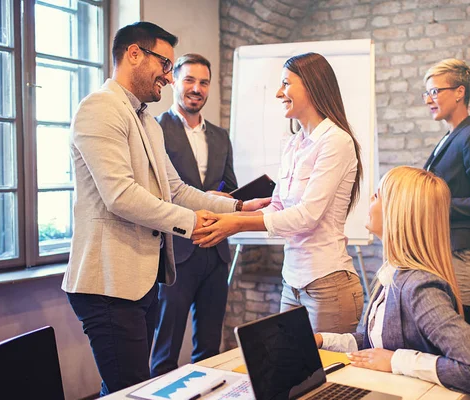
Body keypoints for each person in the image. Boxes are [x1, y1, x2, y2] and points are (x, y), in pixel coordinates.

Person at [62, 22, 265, 395]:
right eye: (166, 65)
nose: (170, 78)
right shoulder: (99, 109)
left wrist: (237, 204)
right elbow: (120, 195)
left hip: (142, 280)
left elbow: (176, 189)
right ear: (134, 54)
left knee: (133, 388)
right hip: (108, 282)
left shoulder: (145, 121)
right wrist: (192, 222)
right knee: (132, 389)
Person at [193, 52, 364, 334]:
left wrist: (237, 224)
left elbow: (307, 216)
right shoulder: (293, 143)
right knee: (291, 373)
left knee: (328, 375)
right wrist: (236, 214)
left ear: (311, 85)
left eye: (286, 84)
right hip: (291, 282)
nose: (278, 93)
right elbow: (279, 208)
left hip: (328, 282)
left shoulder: (336, 141)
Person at [314, 166, 470, 394]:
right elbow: (376, 346)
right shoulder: (392, 273)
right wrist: (322, 340)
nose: (371, 198)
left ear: (397, 211)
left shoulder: (420, 287)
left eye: (378, 195)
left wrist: (395, 362)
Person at [150, 54, 238, 377]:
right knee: (166, 350)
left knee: (209, 350)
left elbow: (231, 186)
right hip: (177, 254)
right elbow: (157, 193)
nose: (196, 89)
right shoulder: (156, 129)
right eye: (189, 80)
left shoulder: (220, 136)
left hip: (215, 254)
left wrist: (231, 198)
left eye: (203, 83)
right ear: (175, 81)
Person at [422, 58, 470, 305]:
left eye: (434, 91)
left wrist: (434, 202)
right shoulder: (451, 137)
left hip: (464, 255)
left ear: (459, 92)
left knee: (456, 335)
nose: (428, 100)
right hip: (449, 253)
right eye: (426, 93)